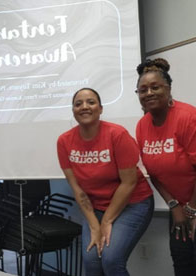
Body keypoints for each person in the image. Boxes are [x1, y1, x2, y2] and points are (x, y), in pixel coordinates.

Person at [57, 88, 154, 276]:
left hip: (132, 204)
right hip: (95, 208)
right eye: (78, 104)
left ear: (100, 109)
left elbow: (129, 183)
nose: (84, 107)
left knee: (111, 260)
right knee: (91, 261)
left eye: (91, 102)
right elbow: (78, 190)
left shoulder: (117, 135)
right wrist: (95, 226)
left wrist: (106, 222)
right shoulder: (64, 141)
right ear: (73, 110)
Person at [135, 58, 196, 275]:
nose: (149, 93)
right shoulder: (142, 125)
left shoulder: (188, 116)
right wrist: (175, 207)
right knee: (182, 261)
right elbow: (154, 173)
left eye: (155, 87)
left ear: (168, 89)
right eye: (142, 90)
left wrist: (192, 209)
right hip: (179, 208)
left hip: (193, 205)